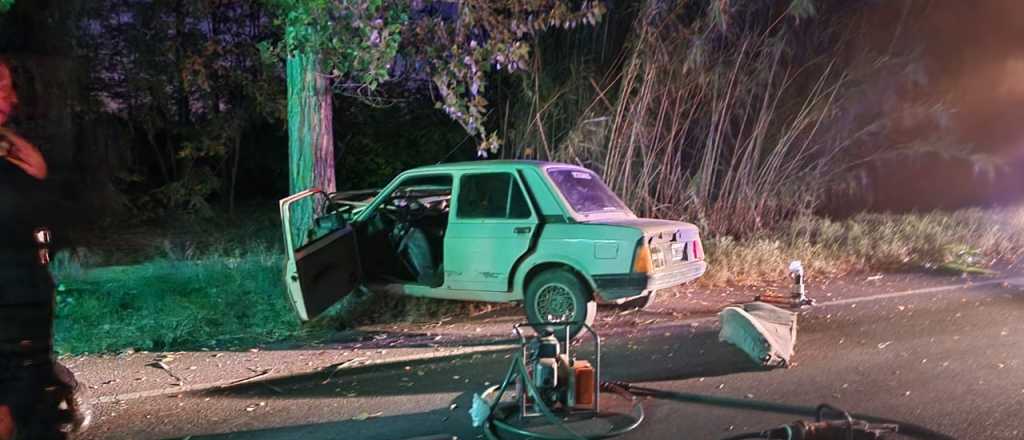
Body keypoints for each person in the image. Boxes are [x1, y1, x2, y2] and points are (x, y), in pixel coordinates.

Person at [0, 58, 89, 439]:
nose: (12, 97)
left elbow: (40, 188)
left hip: (29, 335)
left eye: (9, 87)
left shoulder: (13, 153)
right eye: (0, 86)